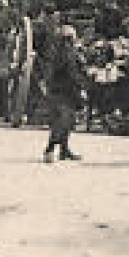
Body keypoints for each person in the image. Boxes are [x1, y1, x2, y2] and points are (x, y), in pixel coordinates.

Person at [41, 24, 88, 162]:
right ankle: (49, 150)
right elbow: (72, 73)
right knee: (64, 121)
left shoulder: (57, 52)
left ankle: (64, 150)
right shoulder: (68, 53)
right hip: (64, 91)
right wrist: (82, 86)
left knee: (65, 120)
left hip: (58, 90)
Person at [5, 6, 36, 128]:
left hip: (26, 64)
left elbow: (26, 51)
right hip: (15, 63)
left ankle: (22, 114)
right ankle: (12, 114)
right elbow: (10, 49)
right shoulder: (13, 34)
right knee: (11, 90)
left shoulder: (25, 35)